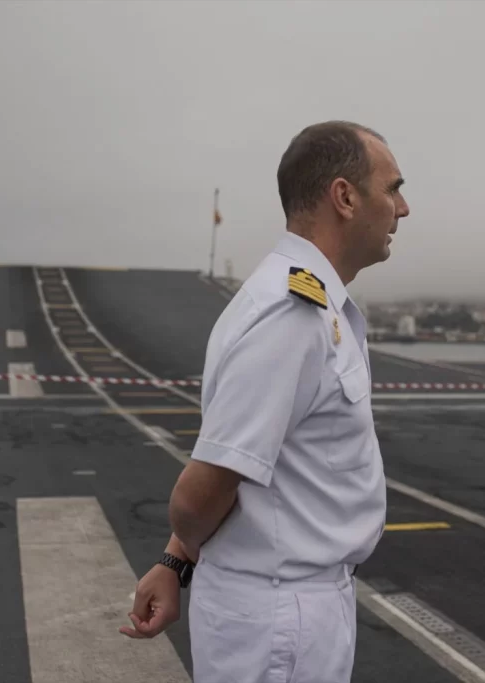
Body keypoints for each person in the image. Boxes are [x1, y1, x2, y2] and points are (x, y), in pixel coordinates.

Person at [119, 120, 410, 682]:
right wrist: (180, 547)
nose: (403, 208)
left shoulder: (308, 302)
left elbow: (245, 463)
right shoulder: (292, 316)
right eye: (393, 188)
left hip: (289, 604)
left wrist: (177, 558)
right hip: (280, 617)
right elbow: (200, 491)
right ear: (345, 197)